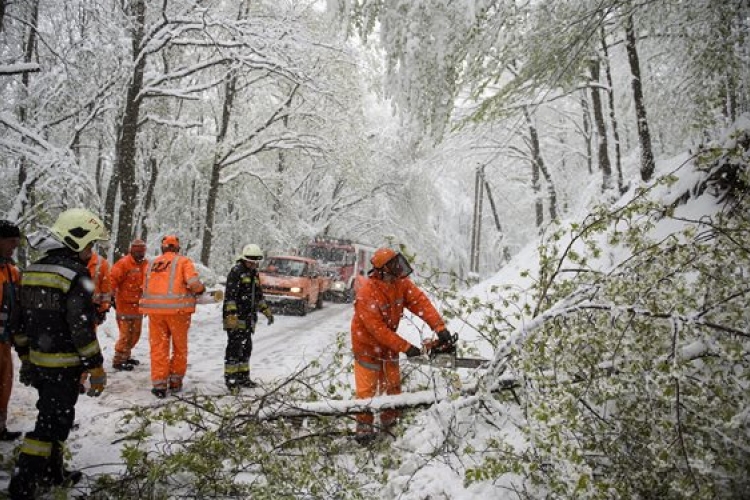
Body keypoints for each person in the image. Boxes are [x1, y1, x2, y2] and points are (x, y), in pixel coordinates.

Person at [8, 208, 108, 499]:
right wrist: (96, 367)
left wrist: (27, 358)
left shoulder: (33, 270)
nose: (91, 251)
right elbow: (81, 329)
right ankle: (23, 482)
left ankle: (53, 472)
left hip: (40, 362)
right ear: (76, 241)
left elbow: (19, 321)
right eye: (90, 244)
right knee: (50, 423)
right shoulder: (76, 275)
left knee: (54, 416)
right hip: (64, 365)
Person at [350, 247, 455, 442]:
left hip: (389, 344)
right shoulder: (367, 294)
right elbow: (378, 330)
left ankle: (390, 421)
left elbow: (420, 303)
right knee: (367, 391)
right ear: (382, 270)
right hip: (366, 346)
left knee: (392, 384)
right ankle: (364, 426)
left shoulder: (401, 284)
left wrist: (440, 328)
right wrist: (406, 347)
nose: (398, 270)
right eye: (393, 267)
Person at [139, 235, 205, 398]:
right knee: (179, 347)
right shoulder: (183, 262)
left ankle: (159, 384)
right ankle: (175, 381)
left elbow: (144, 285)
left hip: (155, 313)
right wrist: (200, 289)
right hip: (178, 312)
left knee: (158, 347)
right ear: (177, 248)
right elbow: (193, 282)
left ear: (163, 248)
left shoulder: (151, 264)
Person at [222, 244, 274, 390]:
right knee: (234, 347)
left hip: (248, 317)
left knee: (246, 348)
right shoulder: (236, 272)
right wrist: (232, 317)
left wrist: (266, 311)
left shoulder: (254, 274)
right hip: (234, 317)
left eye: (256, 262)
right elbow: (230, 296)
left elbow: (258, 296)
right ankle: (231, 379)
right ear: (244, 259)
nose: (253, 264)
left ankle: (243, 377)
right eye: (251, 261)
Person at [109, 239, 148, 371]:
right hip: (124, 306)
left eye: (142, 251)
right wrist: (110, 296)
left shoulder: (146, 265)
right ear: (131, 250)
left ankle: (126, 355)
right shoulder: (123, 264)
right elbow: (112, 280)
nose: (140, 254)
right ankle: (118, 360)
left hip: (138, 307)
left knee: (135, 335)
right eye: (137, 251)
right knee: (125, 335)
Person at [0, 220, 22, 441]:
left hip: (4, 339)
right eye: (10, 242)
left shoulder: (11, 271)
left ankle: (0, 426)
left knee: (5, 383)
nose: (13, 247)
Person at [79, 249, 112, 392]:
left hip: (91, 310)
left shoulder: (101, 263)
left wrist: (103, 309)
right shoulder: (70, 259)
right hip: (73, 310)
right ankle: (79, 378)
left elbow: (106, 289)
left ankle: (82, 376)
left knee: (86, 344)